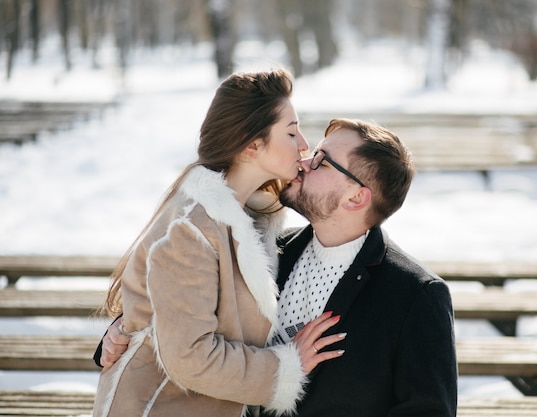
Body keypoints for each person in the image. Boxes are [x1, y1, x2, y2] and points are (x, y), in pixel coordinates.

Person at [96, 118, 458, 416]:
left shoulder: (416, 296)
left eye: (321, 160)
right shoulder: (265, 251)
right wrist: (121, 333)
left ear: (356, 197)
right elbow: (189, 317)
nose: (303, 162)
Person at [91, 68, 346, 417]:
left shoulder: (249, 220)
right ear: (252, 144)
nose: (304, 144)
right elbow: (190, 357)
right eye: (291, 132)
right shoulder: (191, 229)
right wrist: (286, 366)